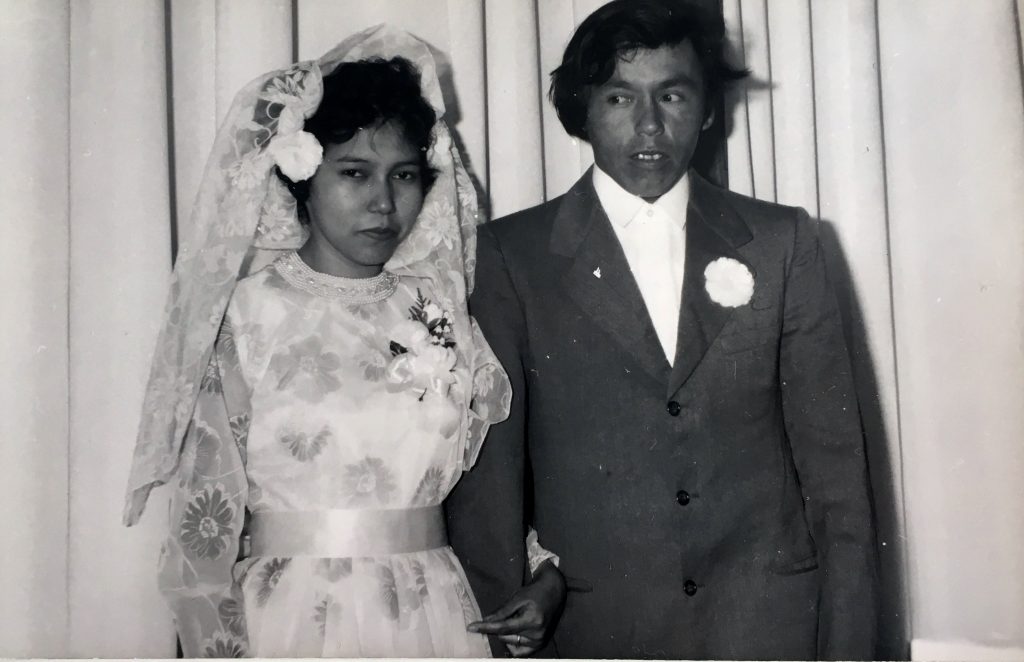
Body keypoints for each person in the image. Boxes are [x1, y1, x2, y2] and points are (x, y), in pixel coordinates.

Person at [446, 0, 880, 659]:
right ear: (582, 111)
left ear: (707, 109)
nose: (649, 123)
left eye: (672, 94)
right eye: (620, 97)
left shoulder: (783, 243)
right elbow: (491, 482)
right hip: (597, 635)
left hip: (768, 631)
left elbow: (839, 485)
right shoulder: (509, 257)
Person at [123, 25, 562, 658]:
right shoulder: (247, 315)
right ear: (302, 174)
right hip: (294, 617)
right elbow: (203, 528)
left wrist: (539, 567)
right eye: (355, 172)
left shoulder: (442, 312)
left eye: (404, 175)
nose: (384, 203)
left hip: (432, 614)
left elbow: (480, 485)